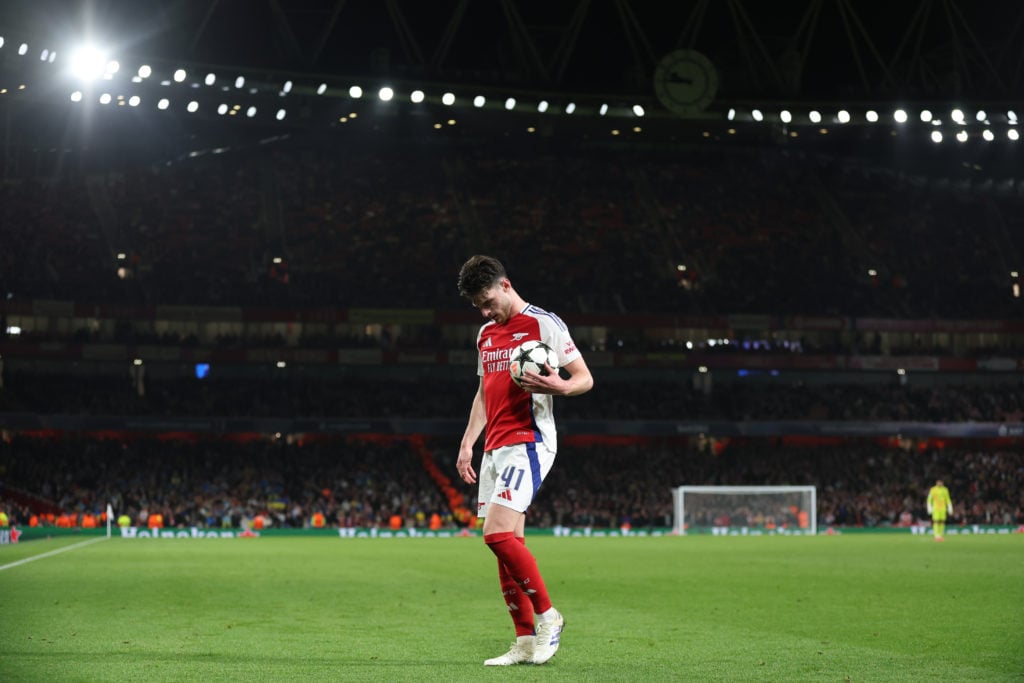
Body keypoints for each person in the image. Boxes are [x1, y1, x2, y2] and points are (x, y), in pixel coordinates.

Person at [455, 255, 594, 666]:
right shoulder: (485, 334)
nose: (484, 311)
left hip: (529, 440)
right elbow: (483, 395)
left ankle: (549, 617)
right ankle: (525, 642)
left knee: (495, 535)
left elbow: (584, 377)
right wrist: (467, 444)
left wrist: (560, 386)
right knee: (507, 544)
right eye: (477, 306)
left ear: (505, 285)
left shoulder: (543, 324)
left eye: (487, 300)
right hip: (495, 447)